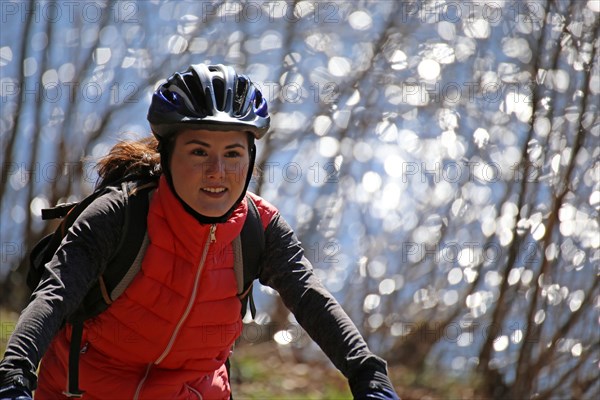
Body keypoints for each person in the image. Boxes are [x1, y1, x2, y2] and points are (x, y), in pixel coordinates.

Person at [0, 64, 400, 399]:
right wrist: (15, 372)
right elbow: (54, 295)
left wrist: (368, 374)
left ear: (250, 158)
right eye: (198, 152)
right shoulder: (119, 215)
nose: (217, 172)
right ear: (168, 154)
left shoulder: (260, 227)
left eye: (232, 154)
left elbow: (310, 297)